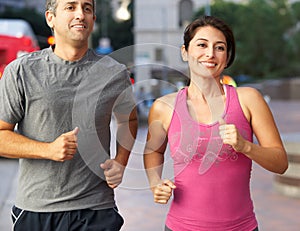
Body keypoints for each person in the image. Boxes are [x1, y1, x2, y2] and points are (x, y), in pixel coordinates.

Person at [0, 0, 137, 230]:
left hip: (96, 210)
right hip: (37, 209)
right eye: (70, 7)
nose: (80, 15)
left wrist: (121, 161)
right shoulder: (21, 71)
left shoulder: (114, 72)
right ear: (50, 18)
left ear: (93, 18)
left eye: (87, 8)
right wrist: (48, 150)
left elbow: (129, 119)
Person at [143, 15, 288, 231]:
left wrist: (245, 146)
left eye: (219, 47)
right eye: (201, 45)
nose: (210, 54)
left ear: (227, 56)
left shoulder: (248, 99)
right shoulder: (164, 107)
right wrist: (155, 182)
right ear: (185, 52)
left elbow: (280, 163)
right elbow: (152, 151)